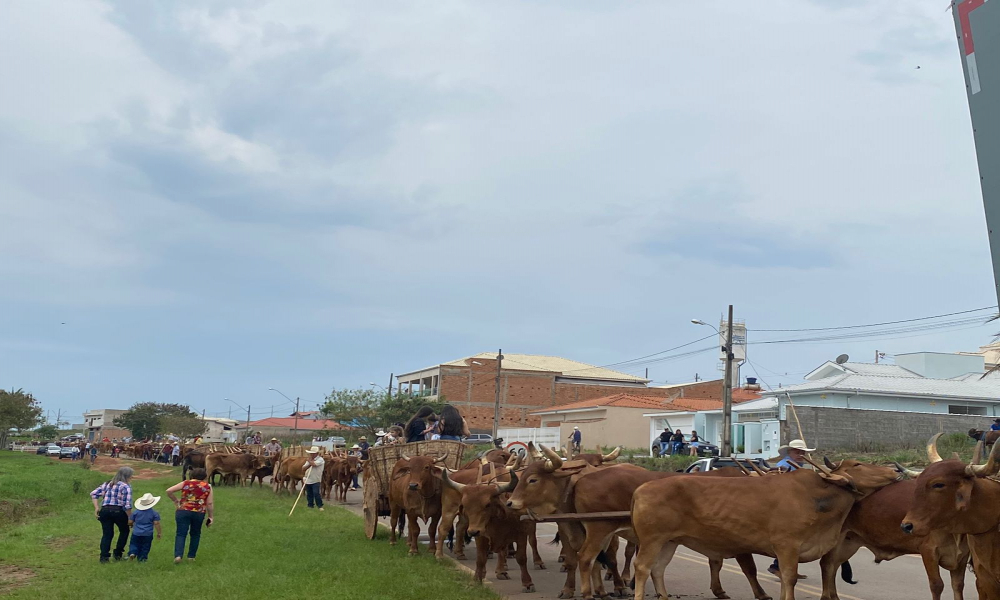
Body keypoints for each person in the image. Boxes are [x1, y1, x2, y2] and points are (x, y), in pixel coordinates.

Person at [768, 439, 816, 577]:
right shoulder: (784, 465)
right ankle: (778, 567)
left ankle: (783, 568)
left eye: (802, 452)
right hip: (787, 506)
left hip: (798, 503)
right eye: (797, 452)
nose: (800, 454)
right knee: (790, 538)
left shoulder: (799, 465)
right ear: (789, 452)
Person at [166, 467, 214, 564]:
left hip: (183, 510)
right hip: (199, 512)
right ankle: (191, 556)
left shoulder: (186, 483)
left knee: (181, 533)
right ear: (204, 476)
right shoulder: (207, 486)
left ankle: (178, 555)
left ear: (192, 475)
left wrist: (176, 501)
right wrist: (210, 516)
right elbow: (209, 503)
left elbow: (169, 491)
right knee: (195, 534)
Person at [90, 466, 135, 563]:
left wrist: (97, 507)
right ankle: (118, 553)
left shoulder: (107, 484)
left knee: (107, 534)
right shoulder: (126, 487)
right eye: (131, 476)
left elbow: (94, 494)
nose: (132, 478)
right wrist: (130, 518)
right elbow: (127, 505)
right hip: (118, 511)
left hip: (105, 511)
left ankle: (104, 557)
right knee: (124, 531)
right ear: (127, 476)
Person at [128, 493, 162, 562]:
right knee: (145, 546)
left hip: (136, 532)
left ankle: (133, 552)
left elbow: (130, 521)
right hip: (148, 533)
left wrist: (131, 525)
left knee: (134, 543)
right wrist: (159, 533)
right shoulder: (154, 513)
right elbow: (156, 523)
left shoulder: (136, 512)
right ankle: (142, 559)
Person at [303, 446, 325, 511]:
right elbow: (303, 468)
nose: (311, 454)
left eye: (313, 453)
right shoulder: (309, 460)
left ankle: (320, 506)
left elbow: (314, 464)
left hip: (316, 479)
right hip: (308, 478)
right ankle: (310, 505)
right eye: (311, 453)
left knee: (316, 493)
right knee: (309, 493)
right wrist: (309, 463)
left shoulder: (320, 460)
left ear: (317, 453)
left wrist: (309, 462)